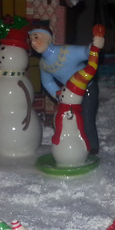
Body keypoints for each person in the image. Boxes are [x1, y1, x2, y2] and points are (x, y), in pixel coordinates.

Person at [28, 24, 105, 152]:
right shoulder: (43, 64)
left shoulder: (66, 51)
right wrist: (58, 96)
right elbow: (47, 82)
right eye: (31, 40)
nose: (33, 43)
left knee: (86, 117)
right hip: (71, 95)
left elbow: (86, 52)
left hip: (87, 89)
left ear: (48, 38)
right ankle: (74, 145)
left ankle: (92, 148)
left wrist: (96, 44)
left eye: (36, 37)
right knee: (70, 120)